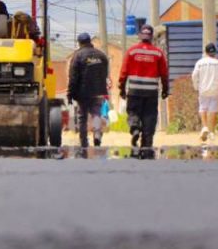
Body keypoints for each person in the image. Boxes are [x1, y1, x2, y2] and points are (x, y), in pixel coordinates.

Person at [118, 24, 169, 157]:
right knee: (149, 117)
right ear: (151, 37)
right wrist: (165, 89)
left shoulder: (132, 51)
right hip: (151, 92)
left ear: (140, 36)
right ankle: (147, 143)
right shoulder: (158, 53)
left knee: (133, 112)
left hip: (134, 91)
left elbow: (123, 72)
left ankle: (135, 127)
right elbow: (164, 73)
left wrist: (122, 88)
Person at [67, 32, 109, 148]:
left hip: (83, 92)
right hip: (99, 91)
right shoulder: (101, 55)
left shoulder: (78, 56)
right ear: (90, 41)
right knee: (96, 113)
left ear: (79, 43)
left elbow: (73, 77)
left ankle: (84, 142)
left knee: (82, 117)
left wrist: (70, 94)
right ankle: (97, 134)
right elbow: (105, 73)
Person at [191, 42, 218, 142]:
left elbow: (194, 75)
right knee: (213, 109)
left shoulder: (200, 63)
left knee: (203, 107)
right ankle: (211, 131)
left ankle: (205, 126)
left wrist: (196, 86)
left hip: (203, 89)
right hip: (215, 89)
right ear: (214, 52)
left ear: (205, 52)